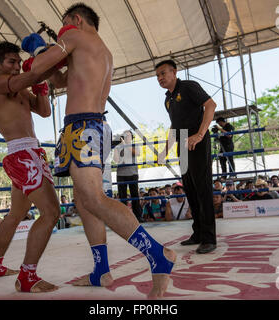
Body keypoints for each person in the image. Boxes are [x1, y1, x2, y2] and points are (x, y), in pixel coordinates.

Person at [35, 3, 175, 298]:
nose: (63, 30)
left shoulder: (74, 37)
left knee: (93, 199)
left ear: (76, 20)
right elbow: (60, 79)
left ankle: (157, 255)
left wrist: (38, 51)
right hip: (91, 126)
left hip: (83, 127)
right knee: (84, 201)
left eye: (65, 24)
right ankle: (101, 270)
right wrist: (48, 62)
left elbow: (38, 67)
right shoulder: (101, 52)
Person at [0, 40, 61, 293]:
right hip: (23, 154)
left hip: (30, 153)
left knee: (15, 215)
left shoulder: (21, 91)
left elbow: (45, 111)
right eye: (11, 62)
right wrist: (42, 62)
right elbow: (29, 76)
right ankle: (28, 276)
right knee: (50, 212)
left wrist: (39, 87)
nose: (17, 67)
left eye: (18, 62)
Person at [156, 59, 217, 254]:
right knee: (190, 189)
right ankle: (198, 233)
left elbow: (211, 105)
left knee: (203, 188)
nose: (160, 78)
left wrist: (200, 135)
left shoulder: (189, 87)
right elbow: (174, 127)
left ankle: (209, 238)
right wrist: (165, 151)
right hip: (182, 143)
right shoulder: (167, 99)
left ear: (174, 72)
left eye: (163, 73)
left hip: (197, 140)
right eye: (157, 76)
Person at [113, 130, 142, 221]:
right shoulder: (118, 147)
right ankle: (123, 218)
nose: (126, 136)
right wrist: (116, 148)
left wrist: (126, 145)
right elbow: (116, 160)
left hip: (132, 173)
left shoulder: (135, 145)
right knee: (122, 196)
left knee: (134, 195)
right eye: (125, 135)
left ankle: (138, 217)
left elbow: (137, 153)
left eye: (128, 135)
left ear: (132, 136)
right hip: (121, 174)